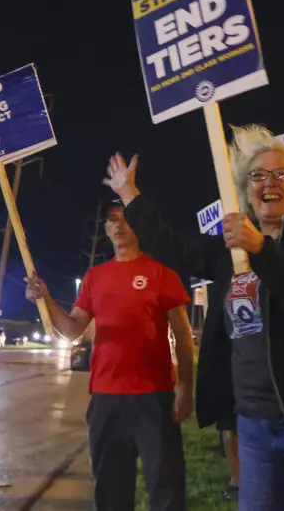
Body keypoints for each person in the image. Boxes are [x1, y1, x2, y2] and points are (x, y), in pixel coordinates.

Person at [101, 127, 284, 511]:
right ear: (245, 190)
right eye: (258, 176)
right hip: (255, 428)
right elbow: (174, 249)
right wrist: (129, 195)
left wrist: (261, 248)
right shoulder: (231, 248)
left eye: (282, 174)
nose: (269, 182)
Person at [25, 196, 195, 511]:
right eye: (111, 219)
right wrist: (45, 298)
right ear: (104, 228)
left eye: (125, 218)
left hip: (153, 397)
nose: (118, 225)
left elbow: (183, 335)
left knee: (166, 485)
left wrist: (185, 387)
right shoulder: (95, 277)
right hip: (105, 399)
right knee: (111, 490)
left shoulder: (161, 272)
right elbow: (74, 329)